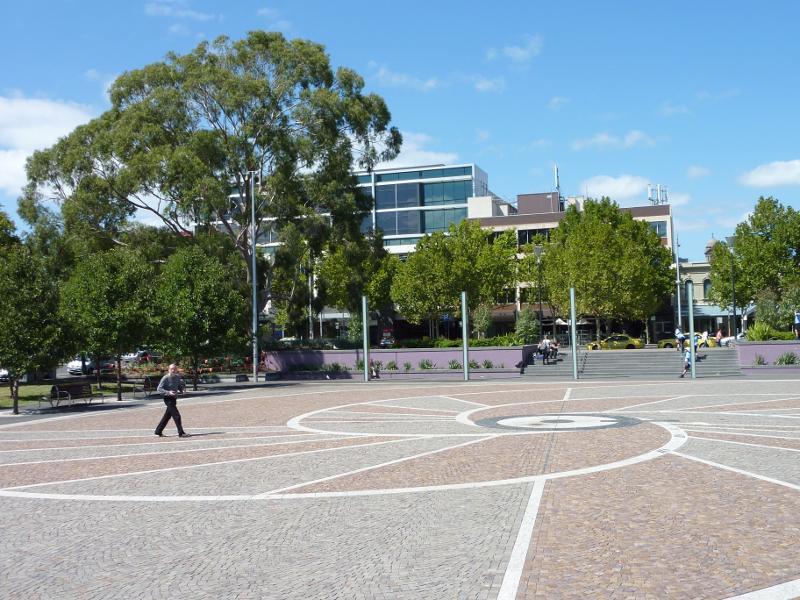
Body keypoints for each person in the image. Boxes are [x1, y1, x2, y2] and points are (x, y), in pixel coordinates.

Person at [154, 364, 190, 437]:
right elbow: (159, 389)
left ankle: (158, 431)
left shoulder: (177, 377)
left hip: (174, 398)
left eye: (174, 369)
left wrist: (182, 390)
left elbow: (179, 386)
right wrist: (168, 392)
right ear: (169, 370)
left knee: (167, 416)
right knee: (177, 416)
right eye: (171, 369)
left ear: (176, 370)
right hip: (167, 399)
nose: (173, 370)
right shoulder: (165, 378)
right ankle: (181, 433)